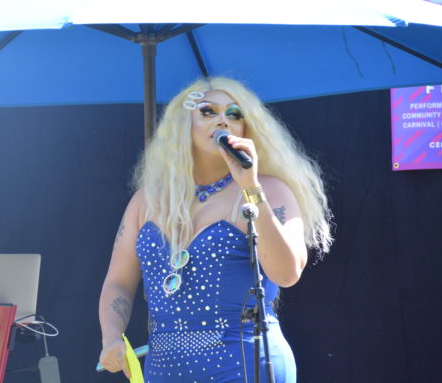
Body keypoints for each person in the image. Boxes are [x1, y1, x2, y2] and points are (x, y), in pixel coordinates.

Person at [98, 77, 333, 382]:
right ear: (183, 125)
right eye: (208, 111)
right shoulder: (148, 200)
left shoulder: (270, 190)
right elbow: (118, 281)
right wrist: (111, 337)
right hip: (164, 366)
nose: (223, 119)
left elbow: (287, 273)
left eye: (235, 114)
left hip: (244, 362)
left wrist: (250, 186)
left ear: (247, 129)